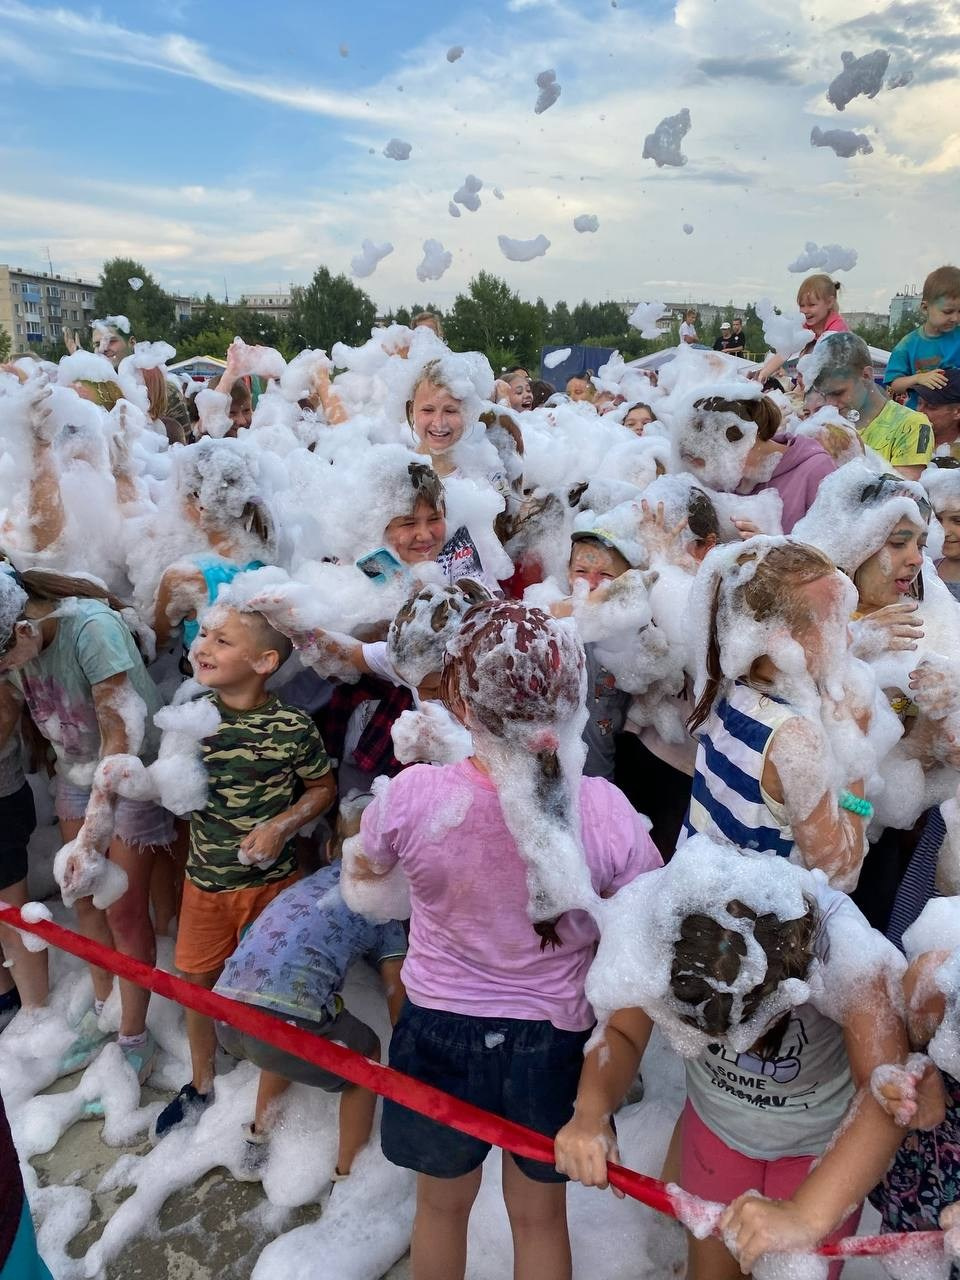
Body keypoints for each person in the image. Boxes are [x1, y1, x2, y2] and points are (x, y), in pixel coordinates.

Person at [345, 600, 662, 1280]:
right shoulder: (606, 812)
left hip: (437, 1026)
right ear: (575, 704)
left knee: (440, 1210)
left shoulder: (413, 797)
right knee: (540, 1219)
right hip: (553, 1039)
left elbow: (366, 874)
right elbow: (645, 933)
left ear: (460, 703)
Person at [555, 837, 941, 1280]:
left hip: (819, 1153)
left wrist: (807, 1215)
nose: (735, 1047)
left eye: (747, 1034)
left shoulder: (847, 954)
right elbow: (623, 1031)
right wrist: (591, 1112)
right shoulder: (665, 926)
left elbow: (885, 1096)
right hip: (717, 1133)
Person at [153, 604, 336, 1137]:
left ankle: (265, 1105)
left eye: (222, 641)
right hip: (204, 884)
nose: (203, 646)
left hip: (272, 887)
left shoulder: (292, 726)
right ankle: (202, 1081)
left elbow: (322, 788)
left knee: (268, 989)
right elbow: (169, 791)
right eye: (204, 635)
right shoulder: (190, 718)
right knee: (196, 982)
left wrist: (282, 825)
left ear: (264, 662)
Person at [0, 567, 173, 1095]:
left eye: (3, 661)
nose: (5, 671)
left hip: (133, 773)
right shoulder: (14, 641)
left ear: (24, 630)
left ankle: (134, 1036)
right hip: (75, 771)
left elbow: (121, 735)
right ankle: (105, 1010)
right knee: (82, 900)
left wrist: (95, 836)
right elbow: (6, 711)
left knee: (122, 908)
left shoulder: (92, 630)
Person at [681, 539, 875, 888]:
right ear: (782, 641)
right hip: (763, 914)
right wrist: (854, 744)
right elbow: (840, 875)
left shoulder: (727, 684)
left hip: (699, 888)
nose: (848, 638)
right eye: (835, 621)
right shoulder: (795, 739)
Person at [213, 860, 407, 1181]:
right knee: (365, 1059)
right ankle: (349, 1175)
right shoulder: (386, 911)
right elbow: (396, 997)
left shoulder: (310, 882)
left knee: (281, 1033)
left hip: (224, 1010)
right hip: (282, 1021)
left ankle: (258, 1139)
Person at [803, 332, 934, 479]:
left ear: (866, 375)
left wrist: (855, 454)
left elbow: (904, 489)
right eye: (825, 395)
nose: (830, 404)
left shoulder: (913, 424)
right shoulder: (827, 426)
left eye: (838, 393)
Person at [886, 265, 960, 410]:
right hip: (921, 414)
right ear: (925, 308)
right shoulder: (908, 344)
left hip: (954, 416)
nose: (955, 318)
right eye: (948, 311)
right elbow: (894, 384)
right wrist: (918, 378)